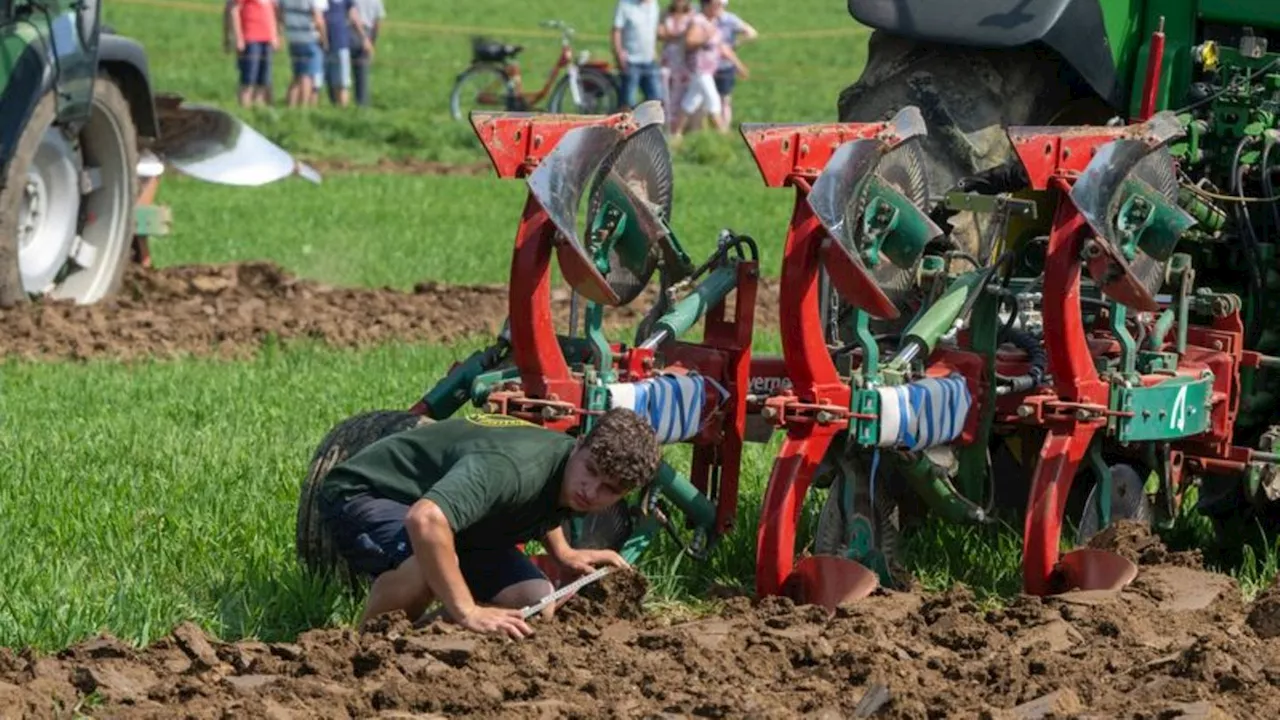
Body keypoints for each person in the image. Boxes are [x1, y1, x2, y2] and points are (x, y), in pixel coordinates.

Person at [317, 408, 663, 639]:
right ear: (579, 445)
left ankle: (422, 638)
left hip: (452, 513)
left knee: (534, 600)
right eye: (591, 472)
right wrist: (466, 611)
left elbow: (539, 501)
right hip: (371, 493)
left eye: (610, 489)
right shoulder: (513, 469)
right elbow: (425, 519)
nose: (592, 491)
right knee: (429, 566)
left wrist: (564, 552)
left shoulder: (568, 471)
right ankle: (366, 648)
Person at [671, 0, 747, 138]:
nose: (719, 8)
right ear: (706, 5)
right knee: (713, 101)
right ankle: (724, 135)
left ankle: (676, 133)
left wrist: (738, 65)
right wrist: (706, 37)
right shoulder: (697, 21)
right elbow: (689, 41)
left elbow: (722, 47)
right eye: (716, 5)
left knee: (691, 101)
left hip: (708, 69)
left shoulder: (713, 22)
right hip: (699, 69)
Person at [611, 0, 663, 110]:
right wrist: (618, 52)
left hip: (649, 60)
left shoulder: (654, 4)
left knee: (656, 98)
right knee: (628, 101)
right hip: (630, 61)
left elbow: (654, 29)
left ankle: (650, 125)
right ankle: (624, 126)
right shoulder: (625, 5)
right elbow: (617, 30)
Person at [711, 0, 756, 127]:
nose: (718, 7)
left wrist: (736, 43)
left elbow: (751, 32)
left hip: (725, 65)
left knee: (725, 99)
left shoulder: (729, 20)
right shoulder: (705, 18)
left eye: (720, 5)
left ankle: (724, 127)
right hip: (708, 66)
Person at [229, 0, 280, 107]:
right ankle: (244, 108)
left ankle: (258, 109)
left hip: (267, 38)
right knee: (248, 80)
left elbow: (273, 11)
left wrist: (275, 35)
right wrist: (238, 37)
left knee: (263, 81)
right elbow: (234, 10)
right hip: (250, 37)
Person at [321, 0, 372, 106]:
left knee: (342, 81)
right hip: (324, 43)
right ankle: (337, 107)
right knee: (332, 81)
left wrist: (363, 37)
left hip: (339, 42)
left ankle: (342, 110)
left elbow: (354, 16)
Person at [281, 0, 328, 107]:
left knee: (297, 75)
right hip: (309, 37)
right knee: (308, 75)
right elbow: (318, 19)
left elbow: (281, 12)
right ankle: (304, 106)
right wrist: (324, 39)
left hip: (293, 36)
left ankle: (291, 106)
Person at [657, 0, 694, 128]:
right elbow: (660, 33)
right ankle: (666, 121)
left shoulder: (692, 15)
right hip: (668, 56)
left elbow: (691, 37)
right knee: (666, 89)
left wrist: (671, 36)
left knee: (683, 90)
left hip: (684, 58)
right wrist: (680, 36)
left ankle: (680, 124)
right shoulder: (665, 14)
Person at [350, 0, 385, 107]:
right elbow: (377, 22)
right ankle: (362, 104)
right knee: (362, 73)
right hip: (367, 31)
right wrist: (372, 42)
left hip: (349, 30)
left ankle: (338, 102)